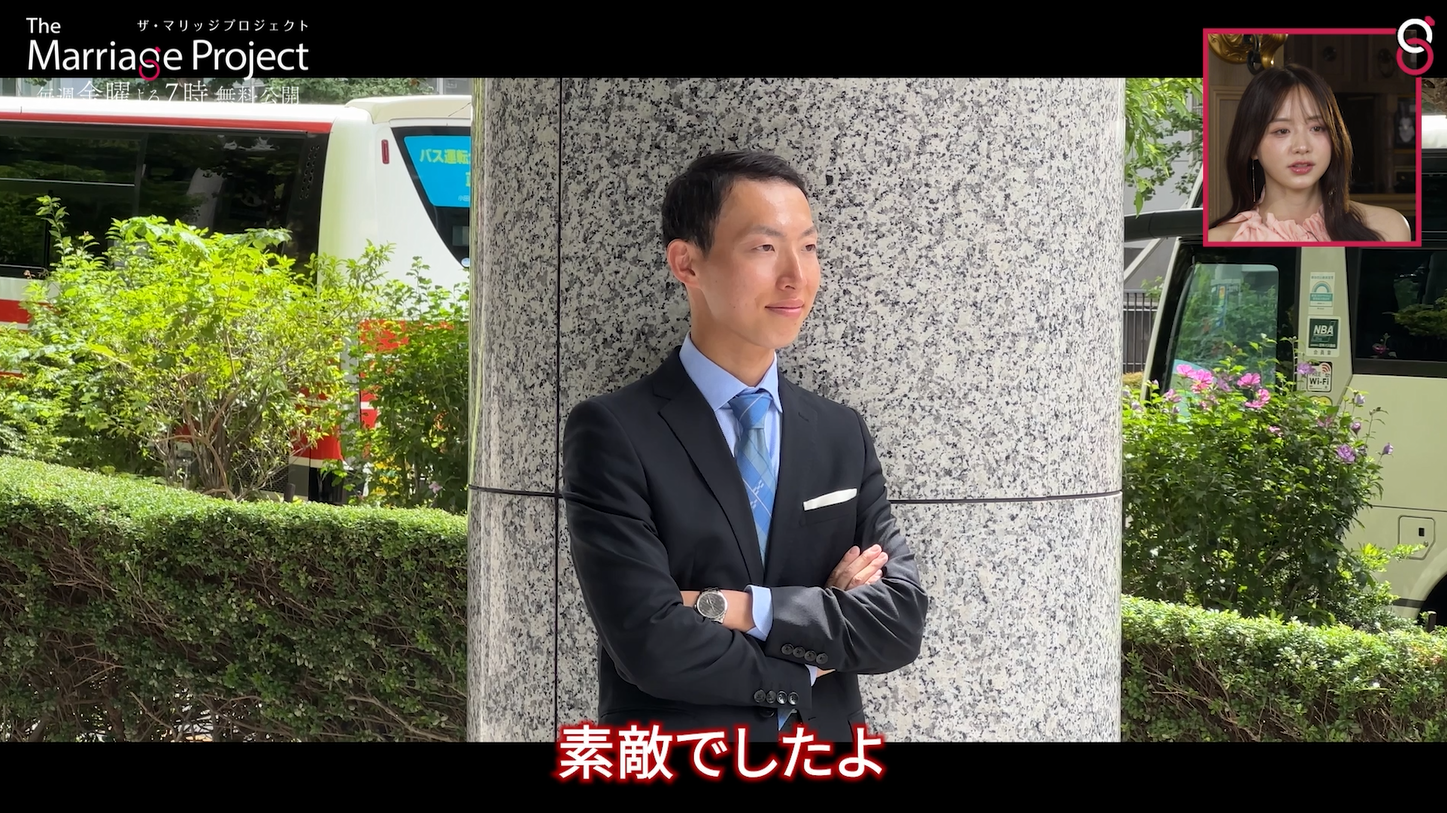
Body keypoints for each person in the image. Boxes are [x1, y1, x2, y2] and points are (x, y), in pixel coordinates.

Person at [561, 150, 930, 743]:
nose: (796, 276)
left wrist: (734, 607)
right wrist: (812, 651)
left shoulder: (839, 433)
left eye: (809, 247)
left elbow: (897, 623)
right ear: (687, 263)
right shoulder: (614, 432)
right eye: (764, 247)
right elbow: (650, 643)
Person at [1208, 64, 1412, 243]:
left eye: (1317, 128)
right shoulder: (1222, 240)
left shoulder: (1387, 229)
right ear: (1252, 146)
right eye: (1282, 131)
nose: (1302, 146)